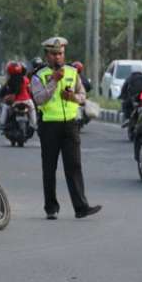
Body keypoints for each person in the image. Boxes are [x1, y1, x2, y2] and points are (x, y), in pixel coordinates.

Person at [31, 36, 102, 220]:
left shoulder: (72, 72)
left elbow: (82, 95)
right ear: (47, 55)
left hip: (70, 125)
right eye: (53, 54)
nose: (57, 57)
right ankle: (51, 208)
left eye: (60, 54)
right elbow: (39, 99)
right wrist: (53, 81)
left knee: (74, 166)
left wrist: (73, 98)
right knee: (49, 168)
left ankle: (81, 207)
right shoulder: (39, 76)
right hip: (49, 126)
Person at [0, 61, 37, 133]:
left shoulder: (10, 80)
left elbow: (4, 91)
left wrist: (2, 96)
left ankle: (2, 124)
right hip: (27, 100)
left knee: (5, 107)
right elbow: (30, 90)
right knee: (32, 109)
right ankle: (34, 124)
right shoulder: (26, 79)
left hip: (15, 102)